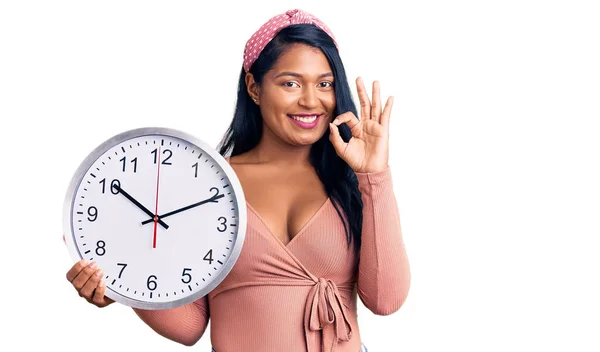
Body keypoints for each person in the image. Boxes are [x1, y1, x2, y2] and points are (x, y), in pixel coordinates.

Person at [65, 8, 411, 352]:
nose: (311, 100)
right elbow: (189, 327)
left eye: (325, 84)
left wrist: (374, 175)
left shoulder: (352, 183)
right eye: (290, 83)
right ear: (254, 87)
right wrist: (124, 288)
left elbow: (386, 300)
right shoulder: (208, 187)